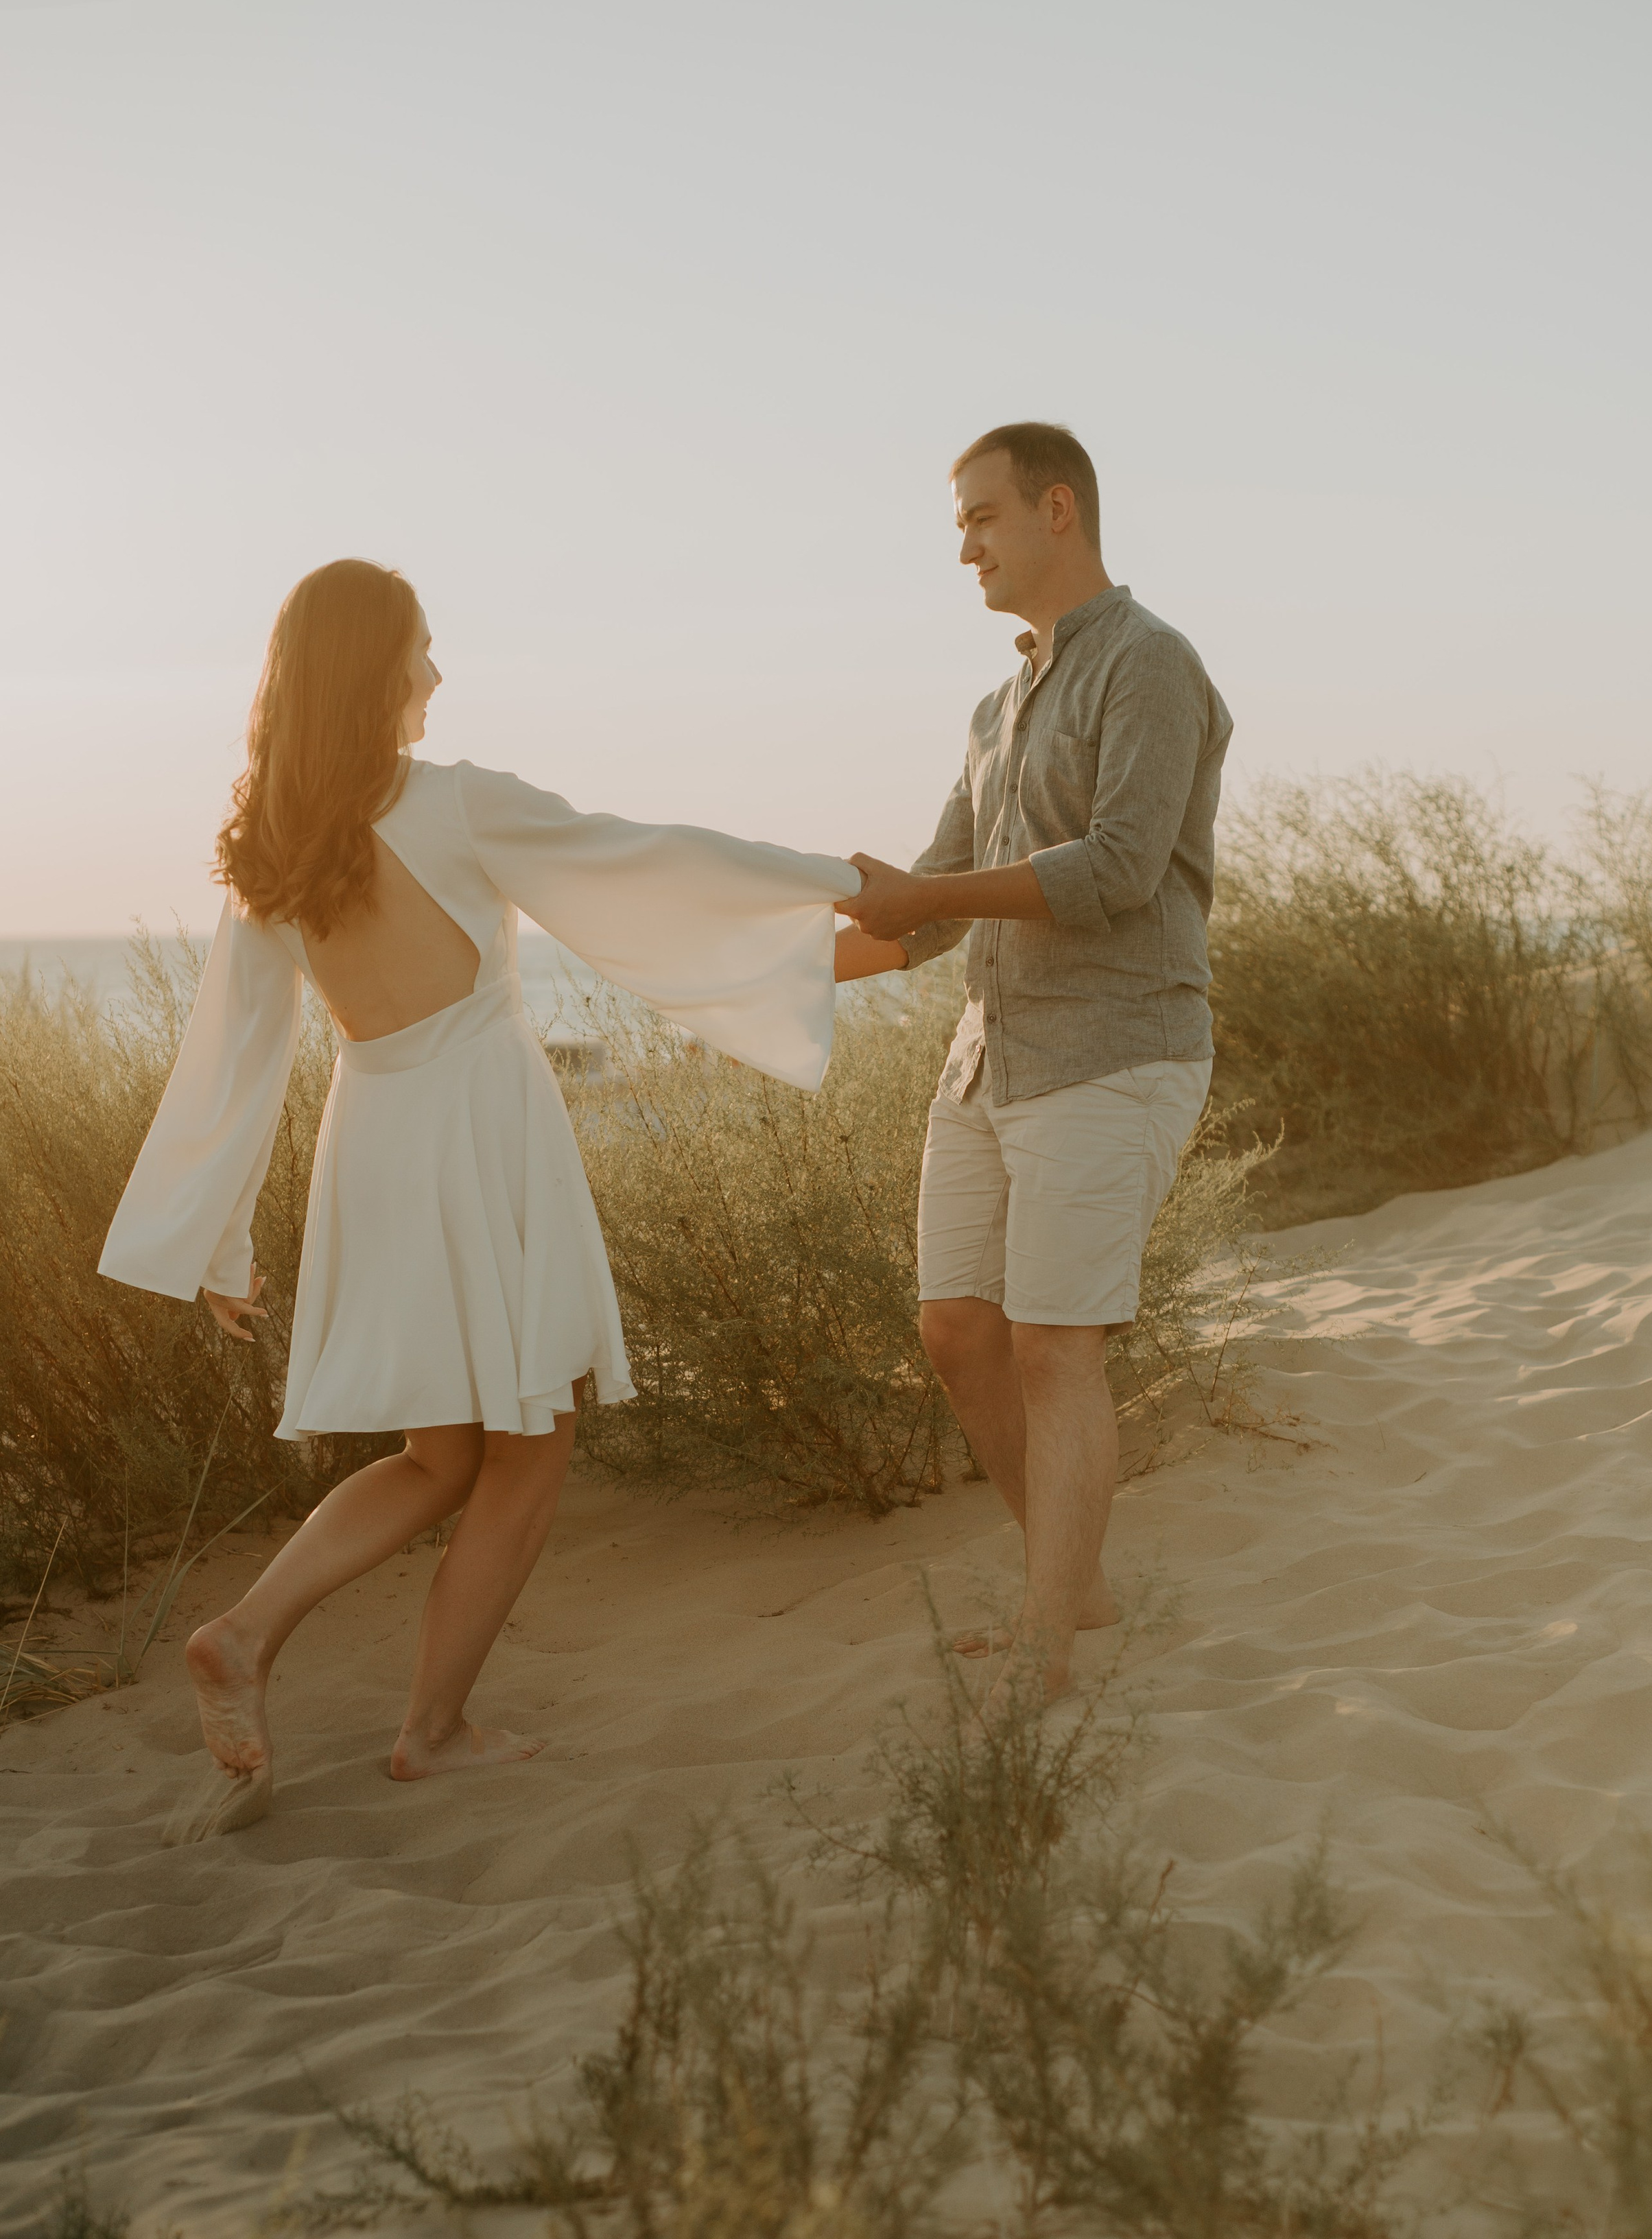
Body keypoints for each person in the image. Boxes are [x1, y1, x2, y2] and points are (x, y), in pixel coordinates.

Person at [101, 558, 860, 1840]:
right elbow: (642, 862)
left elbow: (232, 1054)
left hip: (374, 1141)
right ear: (372, 667)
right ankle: (433, 1732)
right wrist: (830, 880)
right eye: (422, 648)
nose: (438, 674)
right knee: (531, 1444)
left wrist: (220, 1243)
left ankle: (248, 1631)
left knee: (440, 1456)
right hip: (480, 1130)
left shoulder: (274, 847)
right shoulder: (455, 802)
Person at [838, 423, 1232, 1709]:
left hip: (1116, 1048)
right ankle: (1079, 1587)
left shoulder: (1151, 661)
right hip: (987, 1061)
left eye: (980, 517)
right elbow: (931, 911)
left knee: (1058, 1345)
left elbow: (1119, 867)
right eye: (959, 525)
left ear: (1057, 508)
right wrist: (746, 975)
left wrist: (923, 896)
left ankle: (1047, 1636)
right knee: (959, 1330)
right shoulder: (993, 709)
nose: (965, 548)